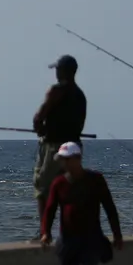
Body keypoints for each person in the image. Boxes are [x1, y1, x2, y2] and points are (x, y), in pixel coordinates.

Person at [40, 141, 124, 265]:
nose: (64, 164)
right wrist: (45, 232)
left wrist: (117, 234)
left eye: (67, 160)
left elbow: (109, 208)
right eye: (62, 160)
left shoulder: (96, 180)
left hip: (91, 238)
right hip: (68, 240)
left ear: (77, 159)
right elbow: (50, 210)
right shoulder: (58, 183)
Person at [32, 55, 88, 224]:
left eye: (57, 69)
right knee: (69, 189)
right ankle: (70, 228)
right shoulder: (80, 95)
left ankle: (44, 231)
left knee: (43, 188)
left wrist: (40, 129)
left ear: (63, 71)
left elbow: (38, 119)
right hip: (74, 147)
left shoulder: (56, 90)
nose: (56, 72)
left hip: (55, 147)